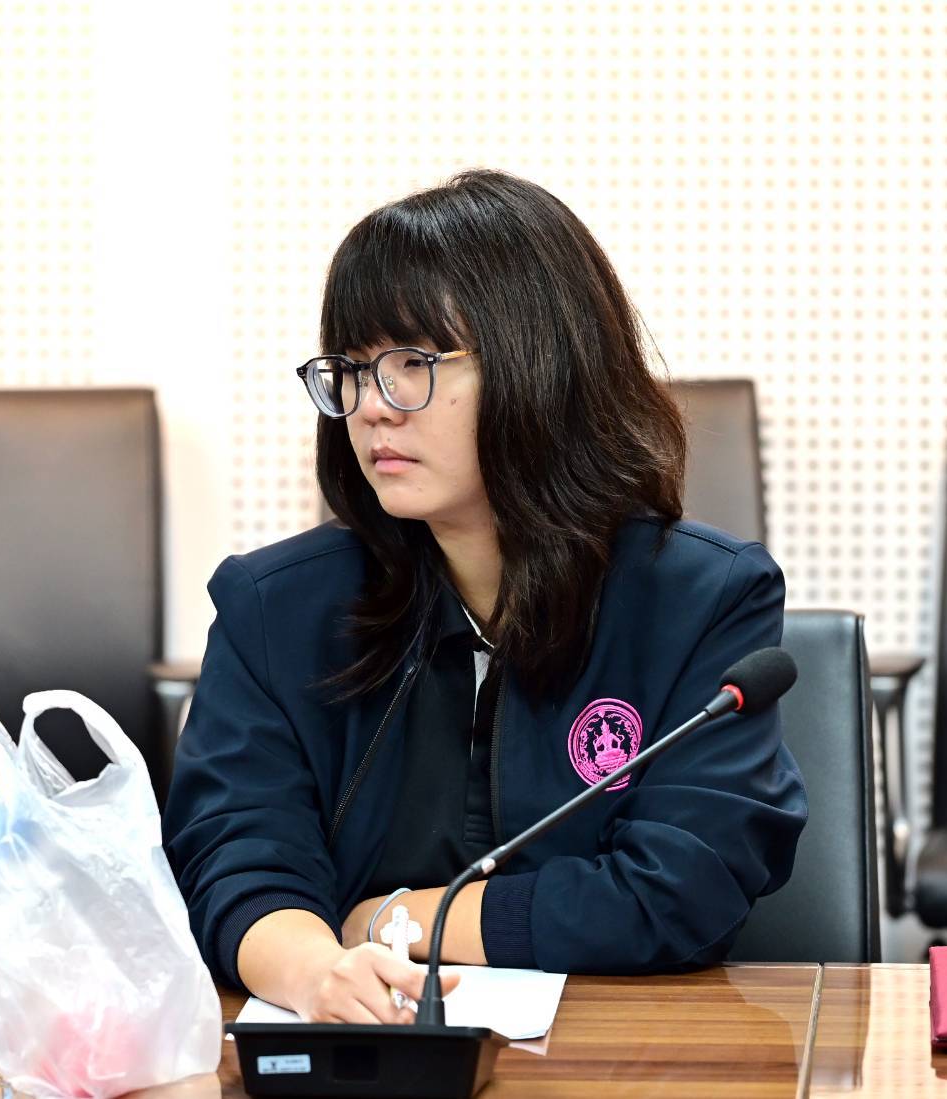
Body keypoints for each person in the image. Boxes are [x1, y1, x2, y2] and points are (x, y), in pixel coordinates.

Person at [162, 169, 806, 1026]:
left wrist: (395, 920)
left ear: (542, 365)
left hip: (623, 1052)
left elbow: (683, 886)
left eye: (412, 365)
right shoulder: (274, 608)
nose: (371, 407)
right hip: (357, 1055)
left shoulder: (701, 598)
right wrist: (318, 972)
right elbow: (232, 855)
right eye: (351, 369)